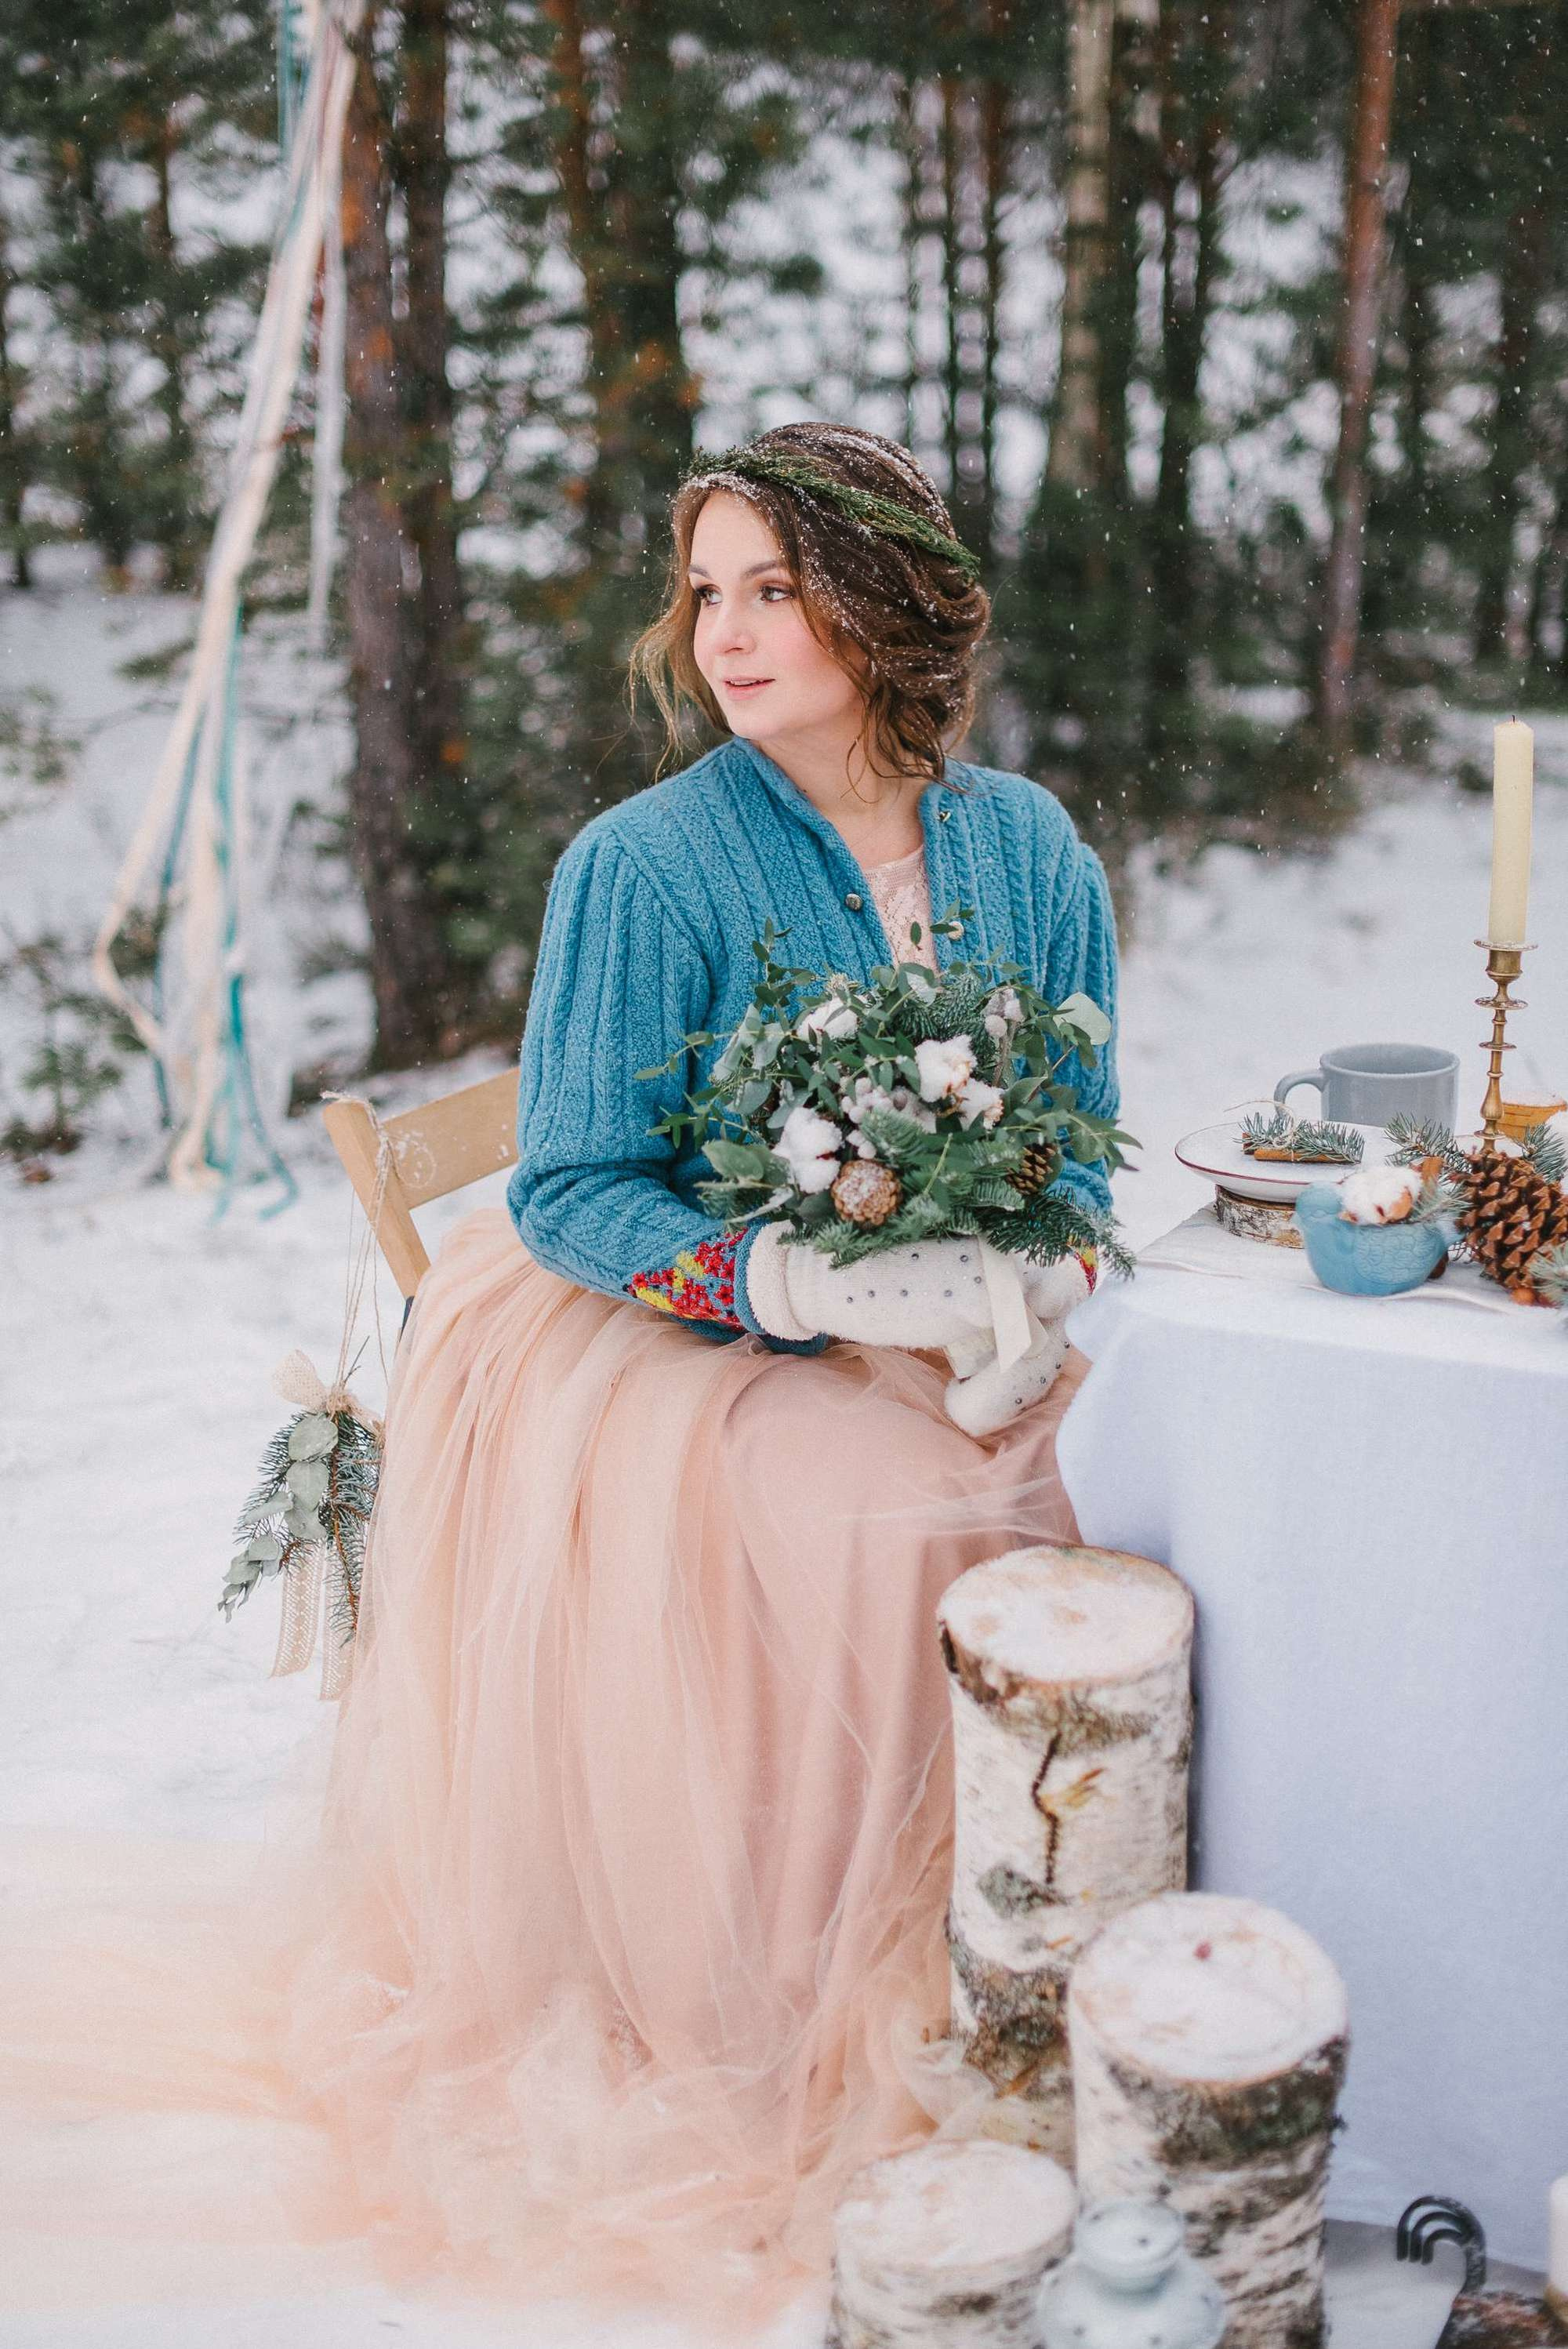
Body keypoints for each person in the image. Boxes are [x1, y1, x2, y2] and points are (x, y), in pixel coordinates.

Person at [0, 424, 1120, 2334]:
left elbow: (1085, 1127)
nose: (730, 631)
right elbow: (580, 1185)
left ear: (893, 600)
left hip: (955, 1310)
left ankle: (1078, 1952)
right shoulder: (643, 862)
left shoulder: (1026, 843)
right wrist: (783, 1271)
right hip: (672, 1325)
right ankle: (808, 2002)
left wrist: (1033, 1255)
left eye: (775, 586)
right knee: (890, 1513)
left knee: (1130, 1465)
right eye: (709, 591)